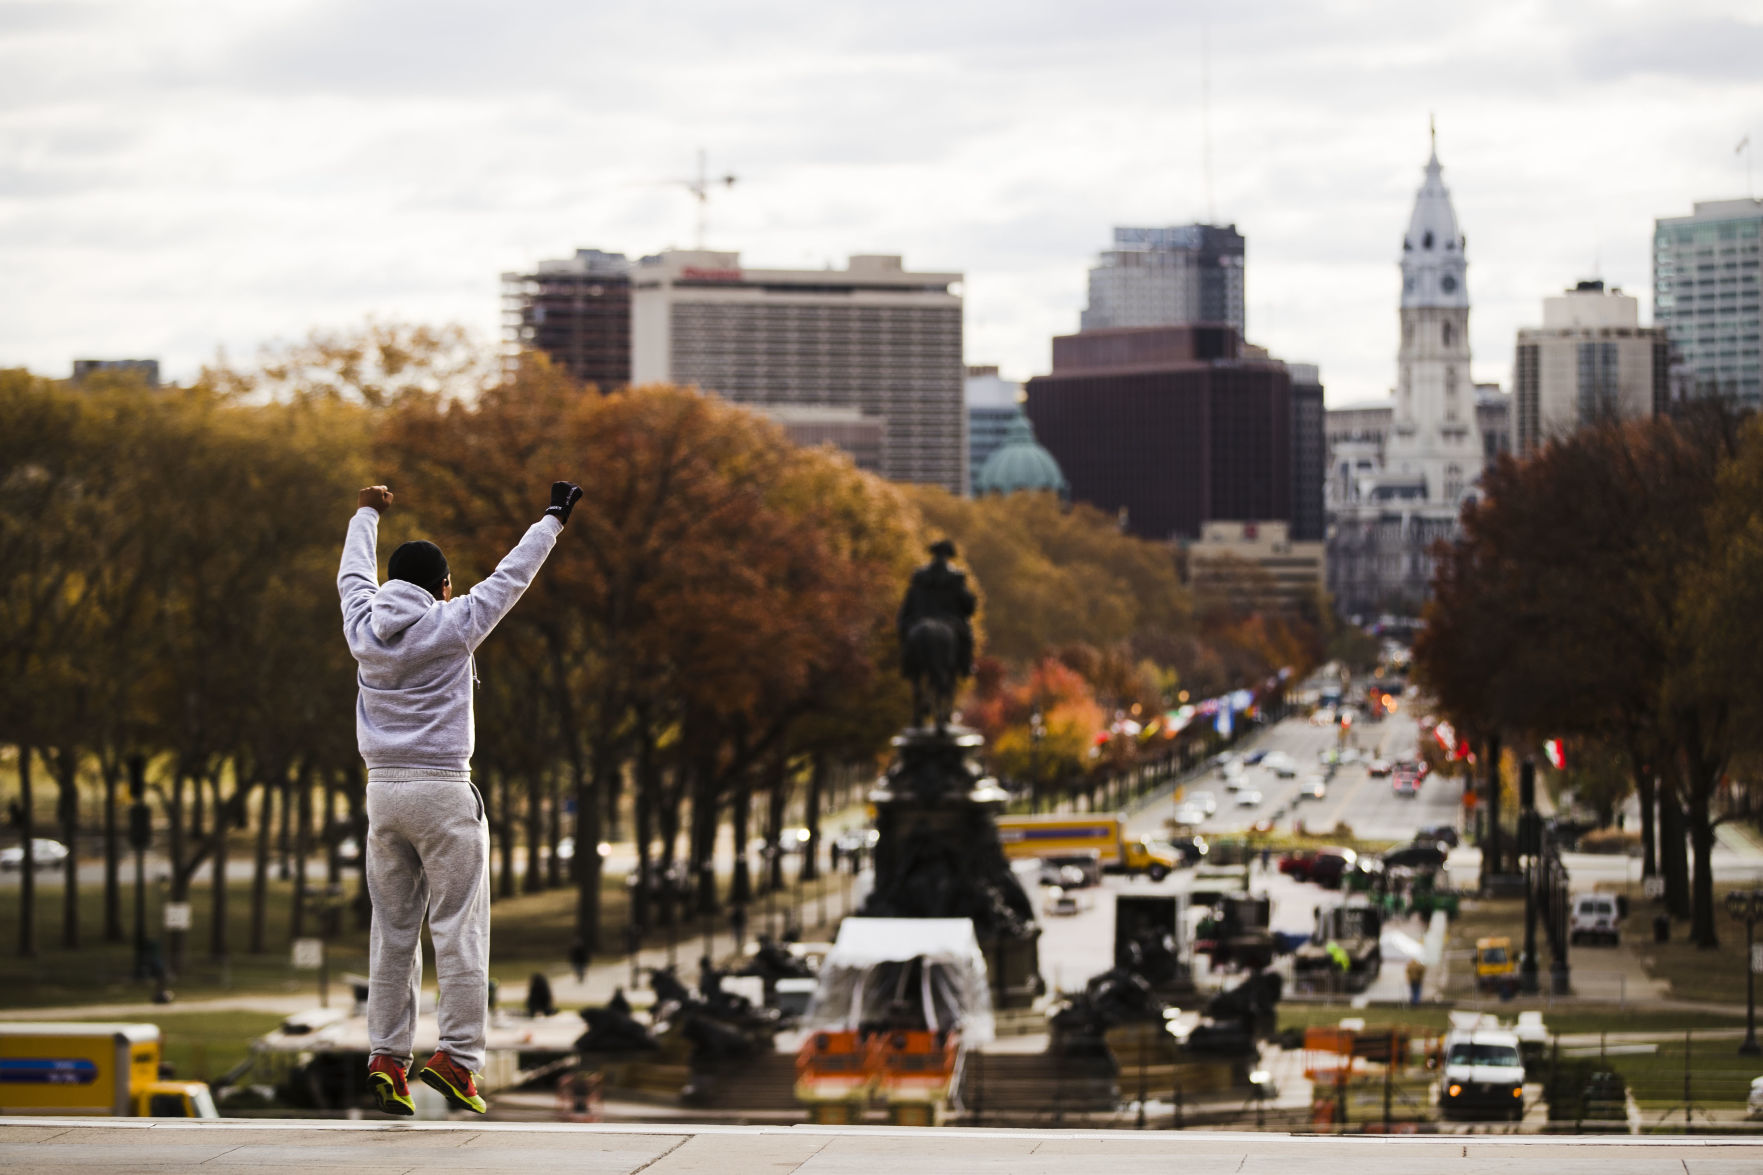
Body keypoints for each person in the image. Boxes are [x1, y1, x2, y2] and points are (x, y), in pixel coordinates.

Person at [342, 480, 581, 1117]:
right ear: (443, 586)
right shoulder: (455, 623)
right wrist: (552, 518)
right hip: (443, 791)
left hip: (382, 797)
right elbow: (512, 576)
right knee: (459, 930)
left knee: (392, 932)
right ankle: (457, 1059)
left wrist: (366, 512)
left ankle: (387, 1059)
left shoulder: (363, 626)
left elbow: (351, 574)